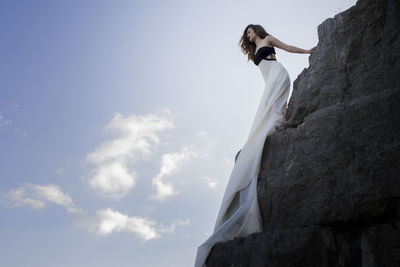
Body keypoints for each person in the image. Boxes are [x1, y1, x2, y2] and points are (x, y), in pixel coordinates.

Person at [194, 24, 315, 267]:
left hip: (278, 75)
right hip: (268, 83)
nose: (248, 36)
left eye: (250, 31)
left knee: (272, 111)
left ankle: (280, 125)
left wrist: (307, 51)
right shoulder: (253, 50)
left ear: (257, 30)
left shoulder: (268, 38)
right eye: (246, 34)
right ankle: (278, 124)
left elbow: (287, 47)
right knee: (266, 113)